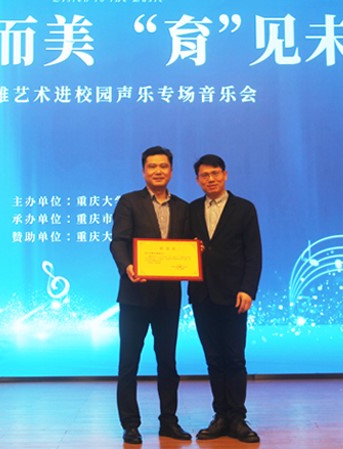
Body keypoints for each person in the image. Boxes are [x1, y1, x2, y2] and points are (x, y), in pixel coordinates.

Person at [110, 145, 192, 444]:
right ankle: (130, 424)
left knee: (168, 362)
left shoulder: (183, 207)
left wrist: (194, 254)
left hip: (168, 297)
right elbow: (118, 242)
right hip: (134, 294)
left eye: (163, 166)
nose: (158, 171)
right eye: (152, 166)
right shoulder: (129, 202)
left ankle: (169, 421)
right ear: (143, 171)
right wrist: (128, 267)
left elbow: (187, 247)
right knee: (128, 362)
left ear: (171, 170)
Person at [188, 154, 262, 443]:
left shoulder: (244, 208)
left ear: (225, 174)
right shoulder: (192, 209)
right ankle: (220, 416)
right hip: (202, 294)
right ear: (197, 180)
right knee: (214, 358)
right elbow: (181, 249)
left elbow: (254, 254)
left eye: (215, 173)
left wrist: (248, 289)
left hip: (234, 296)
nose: (211, 179)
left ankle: (237, 418)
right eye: (204, 175)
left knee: (234, 358)